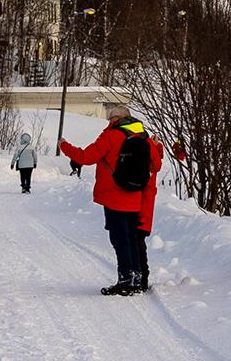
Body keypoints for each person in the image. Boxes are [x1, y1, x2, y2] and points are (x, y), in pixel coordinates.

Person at [59, 108, 161, 295]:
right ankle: (136, 277)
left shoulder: (111, 136)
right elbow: (156, 165)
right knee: (131, 237)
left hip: (114, 197)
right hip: (134, 196)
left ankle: (125, 280)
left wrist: (64, 146)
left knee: (119, 239)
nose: (108, 122)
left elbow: (85, 157)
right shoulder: (144, 137)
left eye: (110, 118)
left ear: (117, 118)